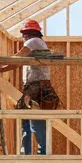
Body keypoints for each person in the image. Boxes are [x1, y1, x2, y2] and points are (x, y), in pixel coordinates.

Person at [17, 19, 58, 155]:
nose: (23, 38)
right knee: (27, 123)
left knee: (36, 124)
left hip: (37, 89)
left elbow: (16, 58)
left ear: (28, 34)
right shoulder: (37, 43)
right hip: (33, 88)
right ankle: (29, 155)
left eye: (24, 35)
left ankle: (42, 157)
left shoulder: (33, 41)